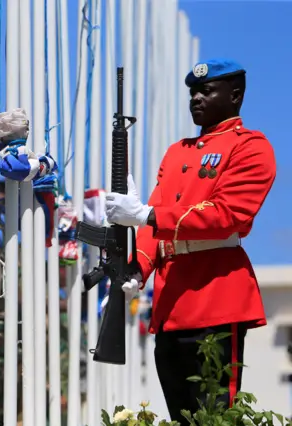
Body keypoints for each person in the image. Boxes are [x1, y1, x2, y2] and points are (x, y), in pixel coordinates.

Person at [104, 59, 276, 423]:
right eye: (192, 93)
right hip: (171, 303)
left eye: (206, 91)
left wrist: (145, 215)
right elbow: (156, 219)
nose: (196, 98)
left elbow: (228, 216)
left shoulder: (250, 148)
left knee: (215, 416)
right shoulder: (177, 151)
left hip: (215, 298)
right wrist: (140, 268)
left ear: (235, 95)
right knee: (182, 415)